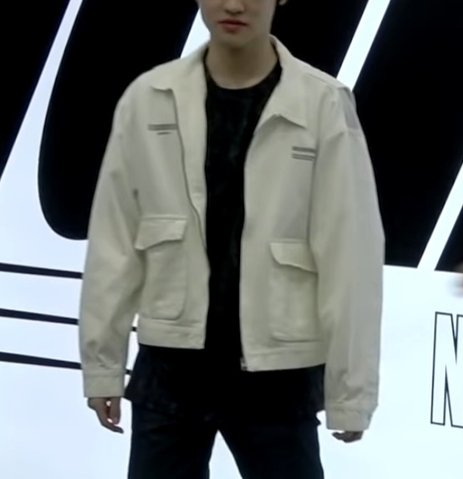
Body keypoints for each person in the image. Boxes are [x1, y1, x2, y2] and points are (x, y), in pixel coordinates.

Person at [78, 0, 384, 477]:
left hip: (277, 372)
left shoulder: (322, 102)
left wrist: (351, 393)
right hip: (170, 367)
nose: (235, 4)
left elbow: (351, 252)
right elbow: (114, 241)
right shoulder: (149, 98)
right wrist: (102, 366)